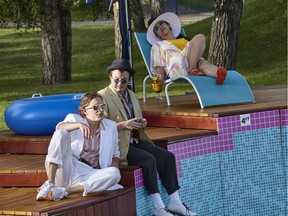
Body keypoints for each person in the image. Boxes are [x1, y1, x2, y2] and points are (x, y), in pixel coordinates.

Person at [98, 59, 197, 216]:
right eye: (116, 80)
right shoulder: (102, 97)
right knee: (149, 159)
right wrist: (124, 125)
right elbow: (99, 126)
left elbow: (135, 117)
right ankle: (159, 208)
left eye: (123, 81)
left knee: (167, 157)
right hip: (117, 146)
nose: (119, 84)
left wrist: (141, 122)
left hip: (135, 140)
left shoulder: (131, 94)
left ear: (129, 80)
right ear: (110, 77)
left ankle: (175, 202)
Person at [36, 92, 122, 201]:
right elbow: (59, 127)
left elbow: (115, 154)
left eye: (102, 106)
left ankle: (66, 191)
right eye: (96, 107)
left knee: (115, 173)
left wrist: (113, 167)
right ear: (85, 111)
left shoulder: (111, 126)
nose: (100, 110)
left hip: (90, 173)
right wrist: (78, 125)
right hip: (69, 167)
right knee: (61, 133)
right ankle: (50, 184)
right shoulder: (74, 119)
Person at [147, 12, 227, 85]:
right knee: (200, 37)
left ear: (169, 25)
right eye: (156, 28)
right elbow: (159, 67)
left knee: (203, 64)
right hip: (178, 68)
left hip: (193, 62)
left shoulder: (184, 39)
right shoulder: (158, 45)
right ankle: (193, 69)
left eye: (161, 24)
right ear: (158, 35)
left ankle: (219, 74)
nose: (160, 27)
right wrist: (158, 80)